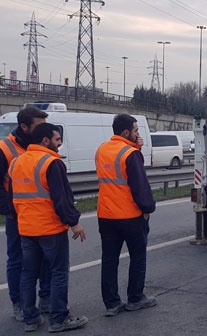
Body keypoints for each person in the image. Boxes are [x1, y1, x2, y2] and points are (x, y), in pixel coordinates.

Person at [8, 123, 88, 333]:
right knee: (58, 272)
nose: (59, 144)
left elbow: (12, 197)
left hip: (26, 229)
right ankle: (59, 319)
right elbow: (62, 199)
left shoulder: (16, 162)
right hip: (50, 229)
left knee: (28, 273)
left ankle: (30, 319)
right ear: (45, 140)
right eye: (57, 140)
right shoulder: (52, 163)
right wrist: (74, 223)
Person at [95, 114, 156, 317]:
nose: (138, 134)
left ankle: (112, 303)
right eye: (136, 131)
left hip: (106, 215)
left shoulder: (102, 150)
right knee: (138, 256)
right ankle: (135, 298)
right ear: (126, 132)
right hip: (130, 216)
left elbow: (116, 176)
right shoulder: (130, 154)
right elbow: (139, 185)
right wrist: (147, 208)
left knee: (109, 259)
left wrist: (135, 149)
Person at [0, 106, 51, 321]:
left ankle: (46, 300)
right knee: (18, 260)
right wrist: (10, 212)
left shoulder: (41, 144)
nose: (45, 130)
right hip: (17, 216)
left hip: (42, 215)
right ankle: (19, 303)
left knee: (47, 259)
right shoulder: (5, 149)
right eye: (39, 126)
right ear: (24, 127)